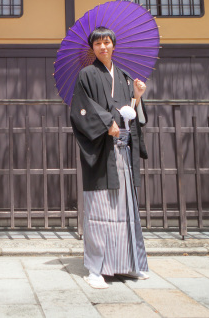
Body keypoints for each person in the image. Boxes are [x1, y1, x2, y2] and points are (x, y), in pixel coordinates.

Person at [70, 26, 149, 289]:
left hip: (122, 150)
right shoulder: (87, 75)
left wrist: (137, 96)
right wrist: (106, 123)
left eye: (107, 42)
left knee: (125, 208)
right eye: (98, 44)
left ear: (114, 45)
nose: (103, 47)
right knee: (100, 209)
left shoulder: (126, 77)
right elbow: (82, 108)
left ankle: (128, 265)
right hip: (102, 150)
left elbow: (132, 113)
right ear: (92, 48)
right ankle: (96, 269)